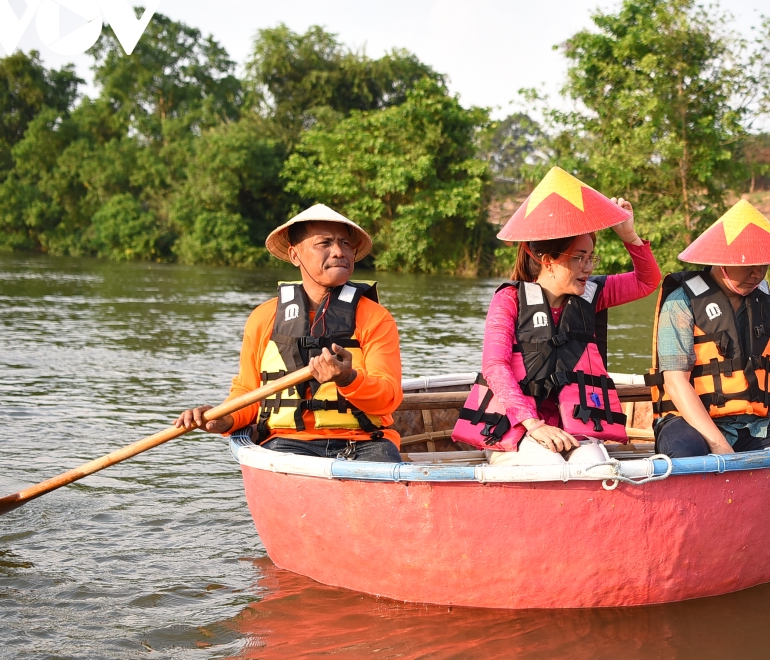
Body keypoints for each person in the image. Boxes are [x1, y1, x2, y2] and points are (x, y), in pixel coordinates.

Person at [452, 167, 661, 466]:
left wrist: (629, 235)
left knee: (596, 466)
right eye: (579, 258)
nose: (588, 267)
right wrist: (533, 424)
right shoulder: (509, 299)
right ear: (548, 260)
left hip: (571, 428)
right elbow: (495, 366)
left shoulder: (593, 293)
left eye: (591, 258)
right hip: (518, 428)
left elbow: (647, 281)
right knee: (549, 465)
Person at [174, 204, 403, 461]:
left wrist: (348, 378)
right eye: (324, 243)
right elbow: (248, 394)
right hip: (287, 444)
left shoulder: (375, 318)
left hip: (365, 444)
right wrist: (223, 419)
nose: (339, 251)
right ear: (295, 255)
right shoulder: (264, 318)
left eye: (345, 243)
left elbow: (387, 400)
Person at [645, 199, 770, 458]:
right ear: (721, 260)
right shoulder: (681, 303)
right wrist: (718, 444)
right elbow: (676, 383)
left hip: (752, 426)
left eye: (764, 265)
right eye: (749, 264)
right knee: (687, 454)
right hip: (688, 422)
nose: (758, 274)